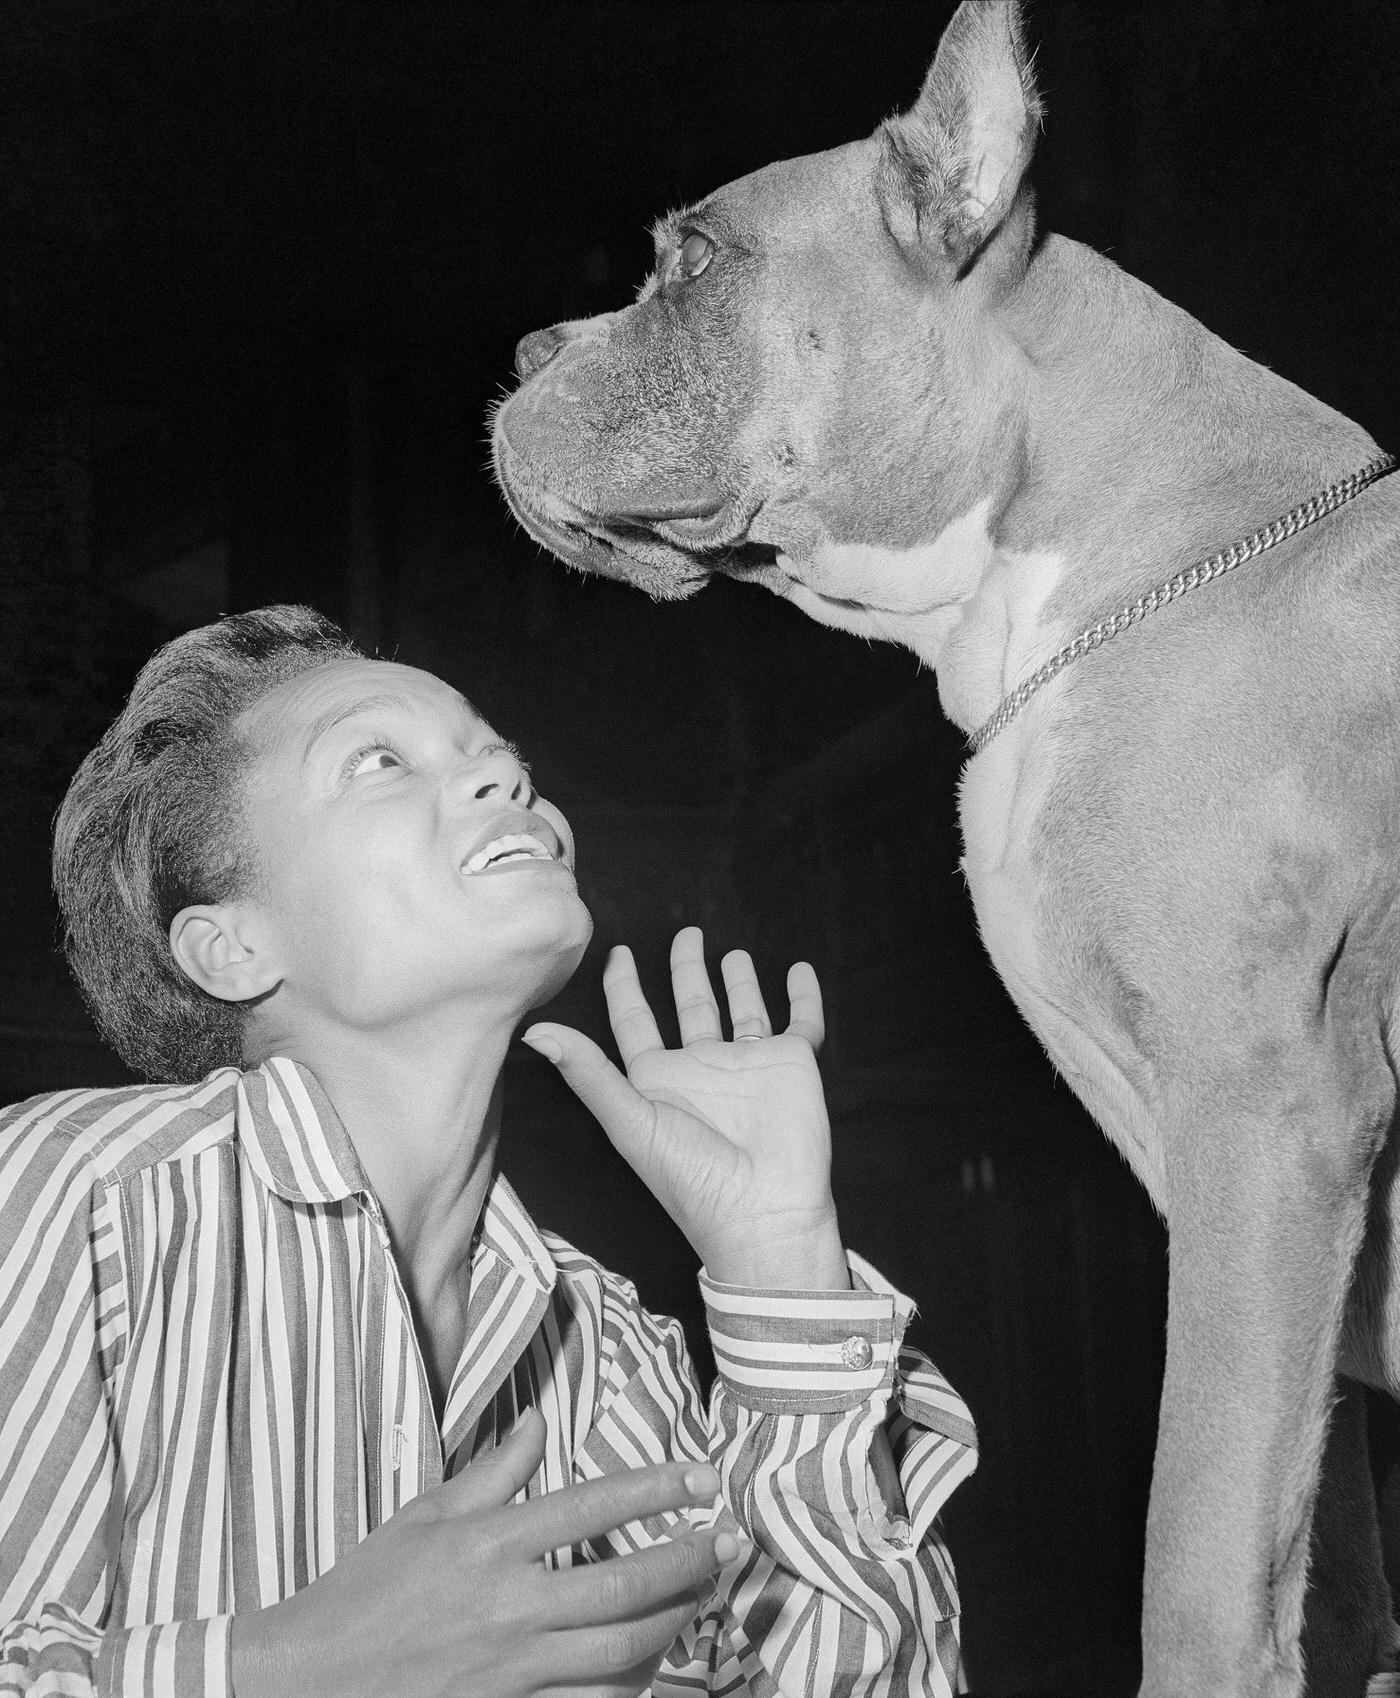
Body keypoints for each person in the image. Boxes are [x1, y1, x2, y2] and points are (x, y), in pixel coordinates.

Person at [0, 604, 977, 1698]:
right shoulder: (73, 1198)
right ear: (232, 947)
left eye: (499, 762)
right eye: (376, 761)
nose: (507, 784)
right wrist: (287, 1669)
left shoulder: (603, 1349)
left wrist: (778, 1263)